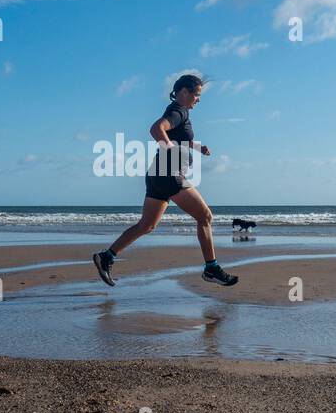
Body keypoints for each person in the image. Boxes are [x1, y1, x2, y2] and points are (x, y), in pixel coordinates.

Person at [93, 74, 238, 287]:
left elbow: (178, 139)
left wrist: (197, 147)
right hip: (169, 174)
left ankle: (106, 257)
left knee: (146, 225)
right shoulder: (177, 111)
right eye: (196, 95)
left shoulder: (180, 112)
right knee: (205, 217)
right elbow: (156, 129)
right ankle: (211, 268)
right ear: (183, 92)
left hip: (157, 175)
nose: (198, 99)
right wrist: (168, 148)